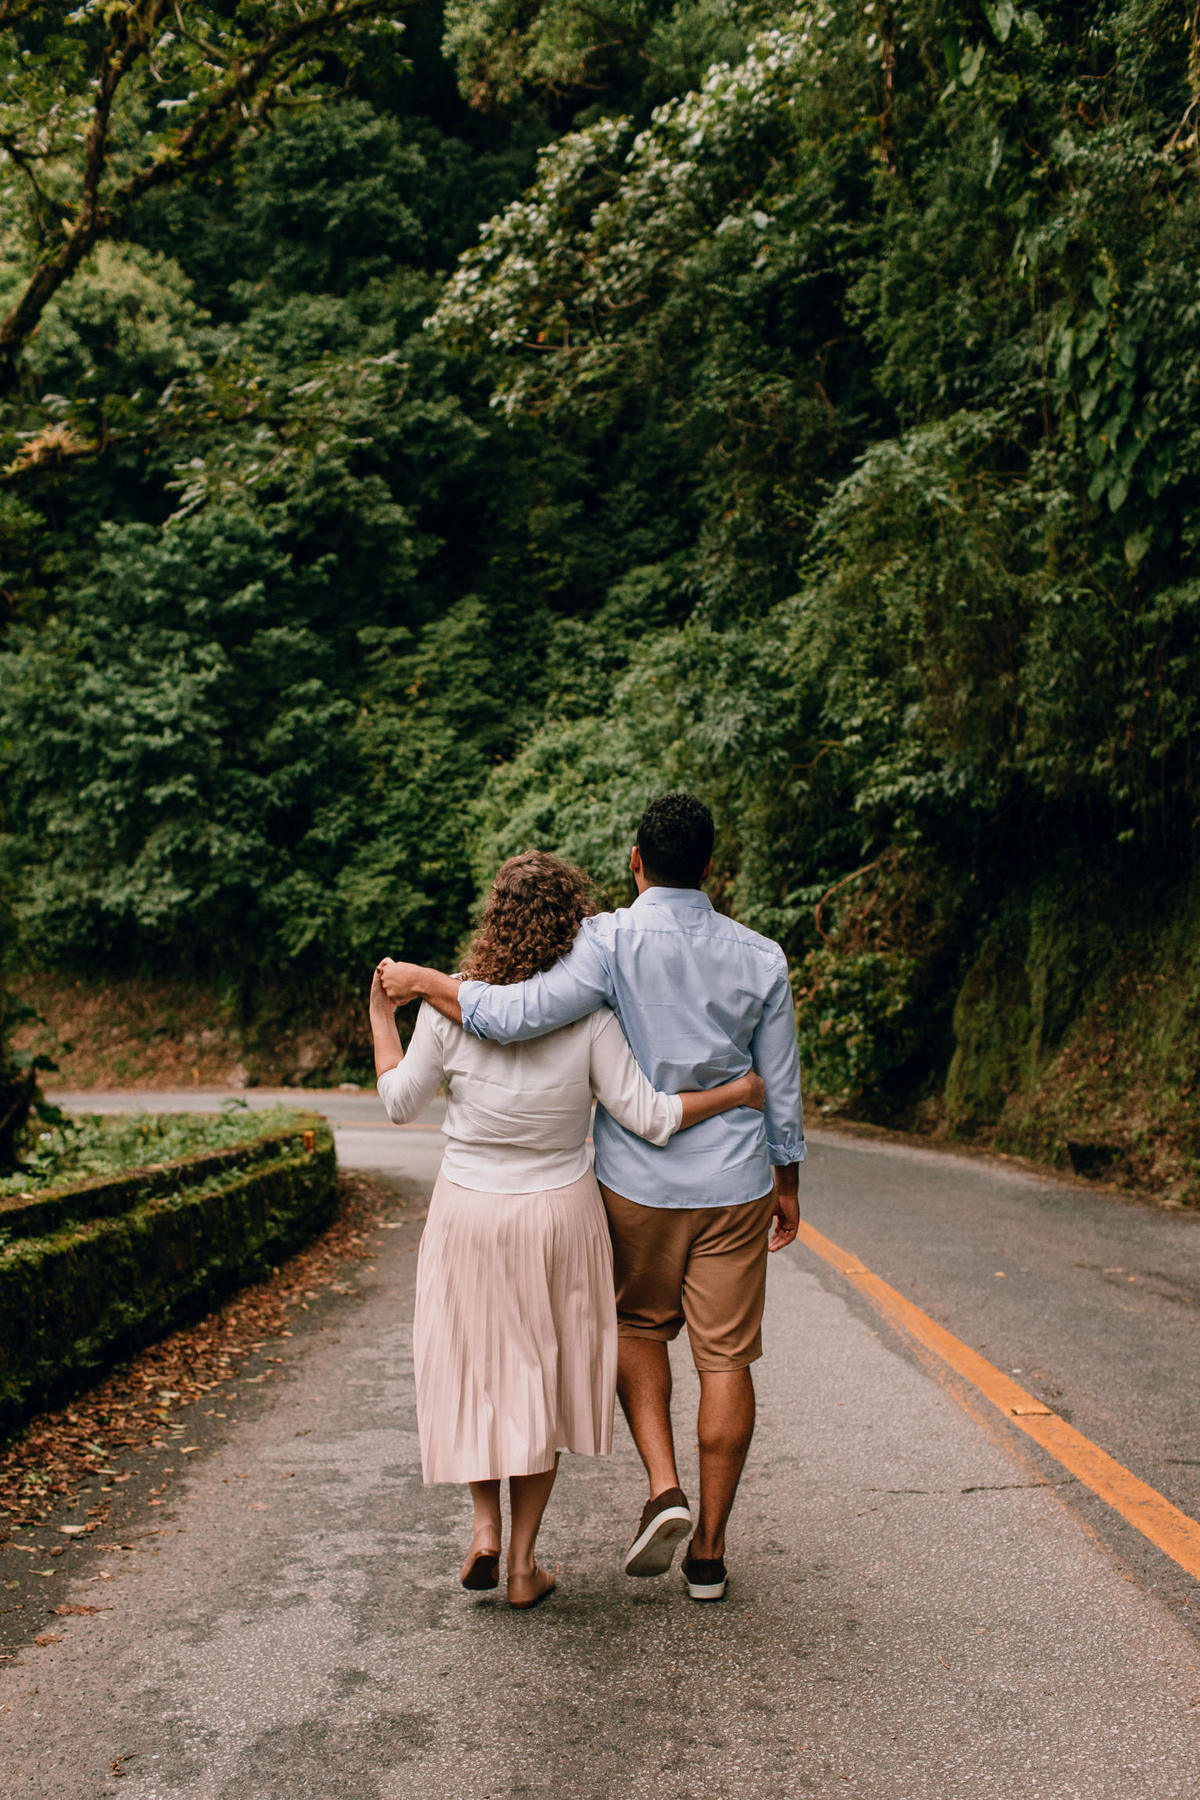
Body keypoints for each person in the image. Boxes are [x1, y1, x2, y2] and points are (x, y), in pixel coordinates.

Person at [379, 793, 804, 1604]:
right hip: (735, 1184)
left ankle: (662, 1483)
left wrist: (429, 983)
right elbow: (779, 1086)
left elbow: (512, 1014)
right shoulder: (763, 956)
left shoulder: (606, 941)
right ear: (712, 867)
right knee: (727, 1359)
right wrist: (786, 1183)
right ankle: (708, 1555)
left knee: (635, 1326)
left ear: (636, 863)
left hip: (637, 1184)